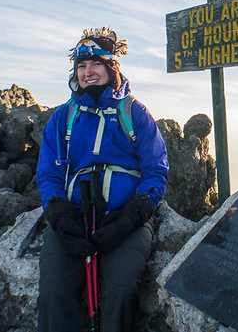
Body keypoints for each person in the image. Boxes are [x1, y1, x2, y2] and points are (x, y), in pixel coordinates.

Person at [36, 27, 169, 332]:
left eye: (95, 64)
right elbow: (48, 172)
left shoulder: (134, 112)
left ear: (112, 68)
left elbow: (156, 169)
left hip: (125, 217)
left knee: (121, 292)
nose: (88, 72)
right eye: (81, 66)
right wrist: (57, 211)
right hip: (74, 215)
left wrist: (135, 213)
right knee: (54, 294)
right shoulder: (63, 117)